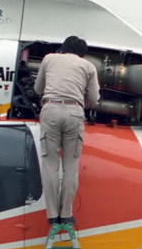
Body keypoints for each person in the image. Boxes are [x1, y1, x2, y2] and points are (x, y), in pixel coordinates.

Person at [34, 36, 99, 227]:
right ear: (82, 53)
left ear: (63, 48)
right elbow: (94, 98)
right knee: (71, 166)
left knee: (50, 165)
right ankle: (66, 213)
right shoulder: (88, 67)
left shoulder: (48, 59)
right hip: (74, 112)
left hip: (51, 109)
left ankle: (53, 215)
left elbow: (38, 88)